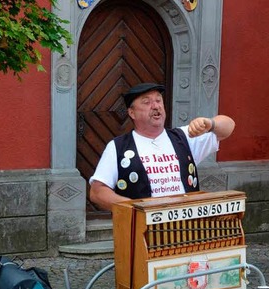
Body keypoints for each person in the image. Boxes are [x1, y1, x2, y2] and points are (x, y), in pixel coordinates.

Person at [89, 83, 235, 211]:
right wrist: (135, 209)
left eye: (158, 100)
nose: (156, 106)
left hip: (187, 228)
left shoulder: (185, 137)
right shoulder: (118, 147)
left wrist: (210, 124)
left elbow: (228, 127)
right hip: (143, 232)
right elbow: (97, 192)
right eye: (146, 102)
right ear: (131, 113)